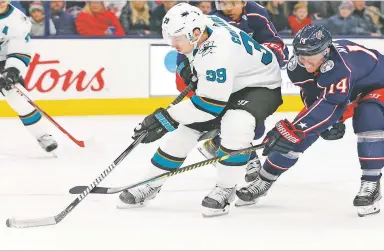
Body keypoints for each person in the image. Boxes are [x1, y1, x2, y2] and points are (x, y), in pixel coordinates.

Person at [117, 3, 283, 217]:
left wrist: (165, 119)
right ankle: (151, 183)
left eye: (177, 39)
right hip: (234, 79)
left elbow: (209, 106)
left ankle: (225, 188)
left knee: (236, 124)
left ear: (195, 33)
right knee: (183, 134)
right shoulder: (204, 25)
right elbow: (201, 72)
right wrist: (189, 68)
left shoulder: (216, 54)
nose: (173, 45)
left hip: (260, 86)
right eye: (170, 38)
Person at [235, 25, 384, 217]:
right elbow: (312, 97)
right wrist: (296, 131)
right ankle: (264, 180)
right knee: (298, 134)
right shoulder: (297, 67)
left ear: (326, 52)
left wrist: (298, 129)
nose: (306, 63)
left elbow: (330, 106)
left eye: (311, 56)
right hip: (343, 91)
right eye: (301, 55)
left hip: (380, 86)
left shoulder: (341, 67)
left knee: (368, 117)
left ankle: (371, 184)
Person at [176, 0, 289, 184]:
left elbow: (273, 42)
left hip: (244, 77)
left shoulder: (256, 13)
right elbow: (184, 52)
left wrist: (269, 58)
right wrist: (187, 71)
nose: (227, 8)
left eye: (232, 3)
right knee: (225, 117)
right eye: (222, 4)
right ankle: (244, 154)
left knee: (256, 128)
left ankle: (216, 144)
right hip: (215, 77)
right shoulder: (212, 20)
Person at [0, 0, 58, 153]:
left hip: (3, 60)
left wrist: (13, 70)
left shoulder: (18, 20)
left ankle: (43, 135)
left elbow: (20, 49)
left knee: (17, 97)